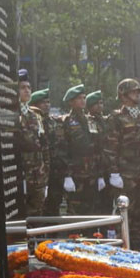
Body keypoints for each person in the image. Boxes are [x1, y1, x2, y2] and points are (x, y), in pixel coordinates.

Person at [104, 79, 140, 253]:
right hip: (125, 172)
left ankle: (137, 242)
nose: (138, 95)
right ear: (123, 95)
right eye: (134, 92)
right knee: (125, 210)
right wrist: (114, 173)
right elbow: (111, 147)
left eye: (139, 92)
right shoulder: (116, 118)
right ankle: (124, 245)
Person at [57, 84, 105, 215]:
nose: (83, 100)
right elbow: (62, 150)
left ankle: (90, 236)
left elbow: (98, 149)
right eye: (79, 98)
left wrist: (100, 175)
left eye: (84, 97)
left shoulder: (91, 120)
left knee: (92, 211)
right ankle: (75, 236)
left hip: (92, 175)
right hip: (76, 175)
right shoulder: (65, 121)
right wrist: (67, 176)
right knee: (75, 212)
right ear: (71, 101)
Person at [17, 70, 49, 216]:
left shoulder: (35, 116)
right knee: (21, 217)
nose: (27, 90)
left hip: (38, 176)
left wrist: (45, 176)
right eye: (23, 87)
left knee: (37, 216)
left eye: (29, 87)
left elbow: (43, 146)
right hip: (21, 175)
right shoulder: (11, 114)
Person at [32, 88, 65, 216]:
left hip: (55, 171)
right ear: (34, 105)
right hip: (39, 171)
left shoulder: (54, 122)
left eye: (48, 102)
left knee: (54, 205)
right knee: (39, 208)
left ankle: (54, 235)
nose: (47, 105)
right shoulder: (32, 122)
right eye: (43, 102)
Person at [86, 90, 112, 215]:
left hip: (108, 167)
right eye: (96, 103)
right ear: (90, 106)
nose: (100, 106)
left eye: (101, 103)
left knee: (108, 203)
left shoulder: (107, 120)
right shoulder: (88, 121)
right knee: (95, 204)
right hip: (94, 169)